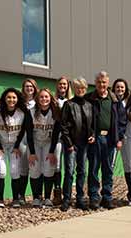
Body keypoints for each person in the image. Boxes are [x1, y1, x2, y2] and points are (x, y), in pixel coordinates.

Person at [86, 71, 125, 210]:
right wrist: (88, 134)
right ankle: (94, 197)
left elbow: (122, 121)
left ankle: (107, 197)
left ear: (108, 83)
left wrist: (119, 138)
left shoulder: (115, 100)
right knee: (94, 169)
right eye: (99, 82)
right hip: (95, 139)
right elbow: (85, 119)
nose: (101, 85)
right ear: (95, 83)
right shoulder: (89, 98)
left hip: (110, 139)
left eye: (104, 82)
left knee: (108, 170)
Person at [0, 88, 35, 208]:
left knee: (15, 172)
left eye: (14, 97)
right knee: (1, 171)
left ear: (17, 99)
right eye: (9, 97)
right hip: (0, 146)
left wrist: (16, 146)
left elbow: (22, 131)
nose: (11, 100)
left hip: (14, 146)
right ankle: (0, 200)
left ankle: (15, 199)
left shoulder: (22, 112)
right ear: (4, 99)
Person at [60, 77, 94, 211]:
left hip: (84, 144)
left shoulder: (89, 105)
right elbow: (63, 126)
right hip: (71, 144)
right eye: (78, 88)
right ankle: (66, 199)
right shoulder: (68, 104)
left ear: (85, 89)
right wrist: (69, 143)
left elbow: (91, 124)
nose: (81, 90)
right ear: (74, 89)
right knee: (69, 171)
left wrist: (92, 135)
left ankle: (80, 198)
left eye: (83, 88)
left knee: (82, 171)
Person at [28, 88, 60, 208]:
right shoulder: (31, 111)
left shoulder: (55, 111)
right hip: (35, 143)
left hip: (48, 143)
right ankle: (36, 197)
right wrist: (31, 152)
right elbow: (29, 133)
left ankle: (47, 198)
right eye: (41, 97)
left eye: (46, 96)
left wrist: (52, 151)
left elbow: (56, 133)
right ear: (37, 98)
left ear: (50, 98)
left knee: (48, 169)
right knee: (35, 169)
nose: (44, 99)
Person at [53, 76, 72, 205]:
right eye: (60, 84)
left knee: (69, 166)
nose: (62, 86)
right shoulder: (53, 101)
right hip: (57, 137)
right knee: (57, 165)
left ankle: (68, 194)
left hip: (69, 138)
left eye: (65, 84)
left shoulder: (71, 101)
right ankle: (57, 193)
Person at [19, 78, 39, 204]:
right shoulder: (19, 103)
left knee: (34, 168)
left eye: (31, 86)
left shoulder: (38, 103)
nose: (29, 88)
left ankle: (36, 196)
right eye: (27, 86)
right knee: (23, 169)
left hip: (35, 140)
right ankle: (21, 196)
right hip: (21, 139)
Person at [111, 78, 130, 199]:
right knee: (111, 165)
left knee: (128, 165)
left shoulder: (129, 102)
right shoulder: (111, 101)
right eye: (117, 87)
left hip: (128, 137)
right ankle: (108, 194)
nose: (120, 89)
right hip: (114, 138)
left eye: (122, 87)